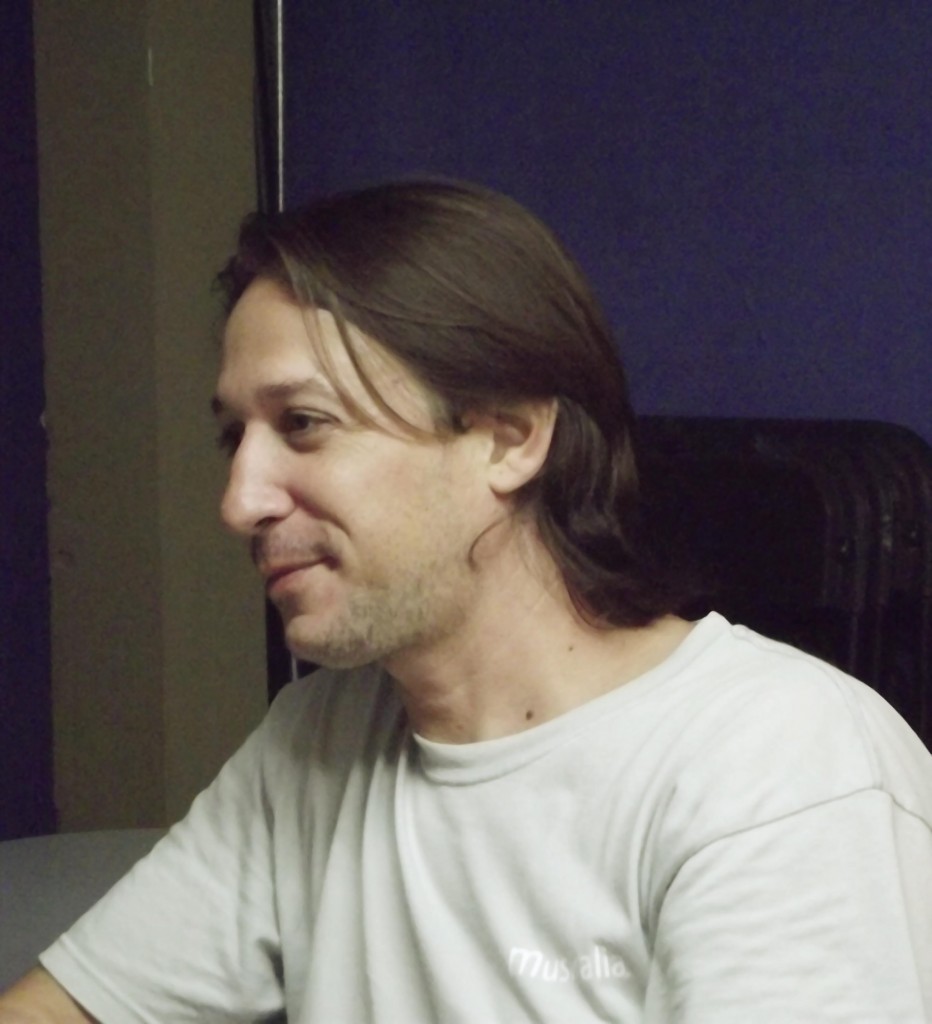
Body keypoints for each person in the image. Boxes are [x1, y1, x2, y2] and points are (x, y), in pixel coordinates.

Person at [2, 180, 931, 1023]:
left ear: (510, 437)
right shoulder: (315, 740)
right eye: (233, 439)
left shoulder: (782, 767)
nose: (240, 501)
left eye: (305, 424)